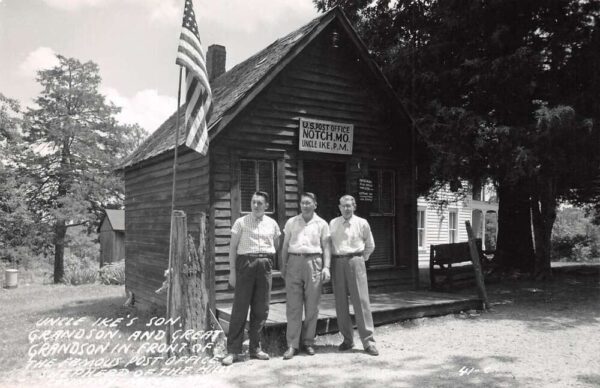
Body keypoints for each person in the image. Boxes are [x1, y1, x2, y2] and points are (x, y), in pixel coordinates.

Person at [222, 191, 281, 366]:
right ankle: (233, 350)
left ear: (266, 206)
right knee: (240, 307)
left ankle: (255, 348)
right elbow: (233, 248)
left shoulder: (272, 224)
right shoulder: (241, 222)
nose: (256, 206)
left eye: (260, 203)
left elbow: (276, 245)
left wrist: (266, 260)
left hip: (265, 265)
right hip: (245, 264)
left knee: (261, 308)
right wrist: (232, 271)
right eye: (253, 202)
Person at [281, 192, 331, 359]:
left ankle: (308, 342)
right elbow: (285, 245)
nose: (305, 205)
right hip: (294, 262)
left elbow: (326, 246)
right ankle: (292, 345)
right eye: (303, 203)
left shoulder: (322, 223)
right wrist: (283, 266)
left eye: (308, 203)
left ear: (315, 204)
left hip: (314, 263)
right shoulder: (291, 222)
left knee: (312, 306)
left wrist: (327, 267)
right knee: (293, 306)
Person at [329, 194, 379, 356]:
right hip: (337, 262)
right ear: (339, 207)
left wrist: (360, 259)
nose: (346, 208)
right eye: (343, 205)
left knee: (361, 301)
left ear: (354, 206)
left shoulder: (362, 223)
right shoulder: (333, 223)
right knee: (340, 302)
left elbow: (370, 245)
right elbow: (329, 244)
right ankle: (347, 339)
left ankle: (368, 341)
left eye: (349, 205)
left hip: (356, 261)